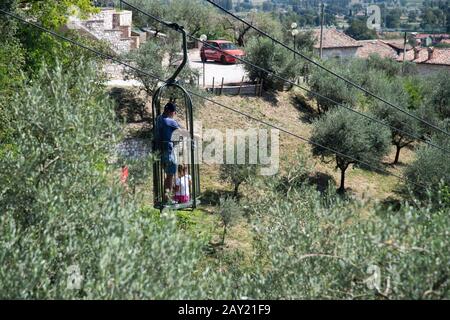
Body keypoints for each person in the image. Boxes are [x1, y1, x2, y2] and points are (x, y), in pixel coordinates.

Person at [155, 102, 188, 203]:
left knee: (168, 175)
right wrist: (197, 135)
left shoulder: (159, 119)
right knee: (170, 176)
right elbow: (184, 132)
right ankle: (168, 199)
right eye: (174, 112)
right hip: (168, 151)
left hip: (159, 152)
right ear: (170, 111)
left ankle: (165, 197)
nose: (174, 114)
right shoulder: (170, 121)